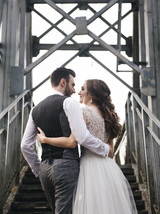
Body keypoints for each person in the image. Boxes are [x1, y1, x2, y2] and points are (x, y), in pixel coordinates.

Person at [37, 79, 138, 214]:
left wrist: (45, 139)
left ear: (91, 94)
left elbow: (71, 142)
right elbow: (111, 152)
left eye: (82, 89)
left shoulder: (83, 112)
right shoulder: (110, 116)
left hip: (88, 167)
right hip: (108, 169)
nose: (78, 92)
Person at [21, 68, 112, 214]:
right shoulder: (69, 103)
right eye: (73, 85)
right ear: (63, 82)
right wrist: (106, 149)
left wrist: (38, 168)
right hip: (65, 166)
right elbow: (81, 137)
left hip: (44, 168)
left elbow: (25, 145)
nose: (74, 90)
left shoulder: (35, 109)